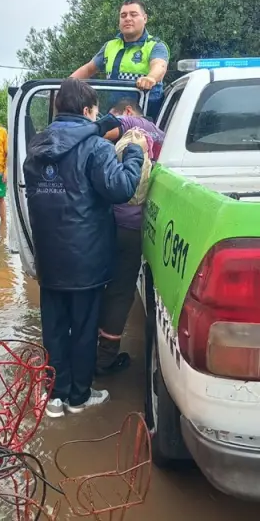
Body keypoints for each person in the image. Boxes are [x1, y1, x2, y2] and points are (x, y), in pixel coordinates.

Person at [24, 78, 143, 418]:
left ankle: (55, 397)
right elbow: (120, 188)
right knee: (83, 329)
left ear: (59, 108)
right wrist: (133, 153)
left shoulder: (36, 146)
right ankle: (78, 397)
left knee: (55, 329)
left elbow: (70, 142)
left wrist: (97, 128)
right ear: (89, 110)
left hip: (50, 258)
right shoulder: (97, 148)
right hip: (86, 259)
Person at [95, 98, 164, 376]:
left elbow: (101, 131)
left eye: (112, 116)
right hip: (134, 229)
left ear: (126, 111)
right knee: (120, 293)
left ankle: (94, 356)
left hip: (113, 225)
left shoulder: (134, 124)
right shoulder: (159, 134)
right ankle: (104, 357)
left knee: (103, 289)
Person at [71, 0, 169, 118]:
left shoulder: (155, 46)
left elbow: (160, 66)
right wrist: (66, 85)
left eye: (133, 14)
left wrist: (150, 78)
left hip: (144, 122)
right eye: (123, 15)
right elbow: (87, 69)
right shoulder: (110, 46)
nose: (127, 18)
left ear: (144, 18)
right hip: (113, 118)